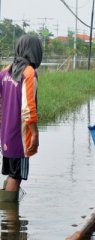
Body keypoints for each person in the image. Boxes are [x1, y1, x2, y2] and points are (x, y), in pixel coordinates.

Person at [0, 35, 43, 202]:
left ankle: (6, 215)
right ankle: (10, 221)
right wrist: (35, 135)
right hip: (21, 135)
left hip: (6, 134)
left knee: (12, 173)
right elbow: (28, 108)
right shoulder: (29, 73)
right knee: (16, 176)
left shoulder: (5, 71)